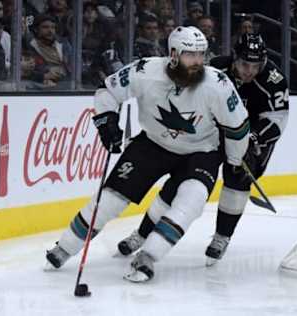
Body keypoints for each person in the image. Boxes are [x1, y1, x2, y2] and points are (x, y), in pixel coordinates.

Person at [45, 26, 251, 282]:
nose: (198, 61)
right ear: (173, 54)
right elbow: (107, 90)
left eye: (201, 54)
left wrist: (234, 159)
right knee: (110, 200)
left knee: (192, 200)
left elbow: (238, 127)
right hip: (152, 143)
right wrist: (106, 120)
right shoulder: (145, 71)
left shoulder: (217, 84)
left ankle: (149, 256)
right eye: (191, 55)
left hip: (201, 151)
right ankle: (65, 247)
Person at [117, 33, 289, 266]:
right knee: (182, 178)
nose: (249, 71)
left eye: (255, 66)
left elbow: (277, 119)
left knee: (237, 179)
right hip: (213, 133)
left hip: (254, 139)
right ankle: (142, 233)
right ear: (234, 57)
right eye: (244, 64)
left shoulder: (274, 80)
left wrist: (254, 137)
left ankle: (222, 237)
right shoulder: (216, 68)